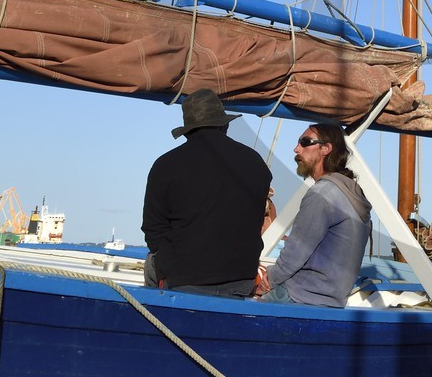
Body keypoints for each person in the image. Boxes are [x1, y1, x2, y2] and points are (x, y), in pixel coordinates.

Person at [142, 89, 271, 297]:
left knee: (151, 263)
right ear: (225, 125)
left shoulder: (166, 165)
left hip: (185, 277)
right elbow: (256, 221)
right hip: (240, 276)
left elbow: (153, 229)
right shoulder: (255, 162)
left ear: (188, 130)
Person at [259, 121, 372, 306]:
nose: (296, 149)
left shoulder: (322, 194)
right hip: (332, 302)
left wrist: (267, 280)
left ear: (326, 148)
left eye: (305, 142)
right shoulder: (352, 193)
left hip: (299, 296)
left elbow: (295, 253)